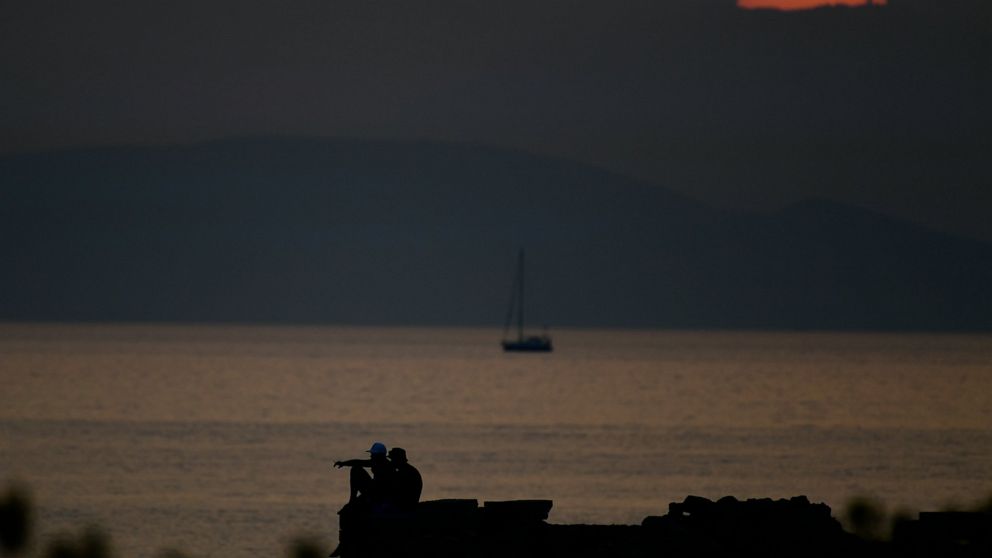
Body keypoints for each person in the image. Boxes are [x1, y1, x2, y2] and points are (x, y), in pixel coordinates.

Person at [386, 447, 422, 513]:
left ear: (397, 460)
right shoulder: (406, 470)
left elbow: (396, 490)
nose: (391, 462)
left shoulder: (405, 472)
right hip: (407, 503)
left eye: (392, 459)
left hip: (406, 505)